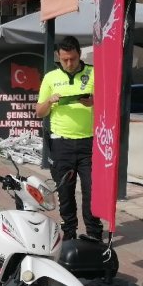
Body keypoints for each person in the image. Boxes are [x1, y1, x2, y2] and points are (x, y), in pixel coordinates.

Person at [36, 35, 102, 241]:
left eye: (72, 58)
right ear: (58, 56)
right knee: (65, 192)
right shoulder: (50, 78)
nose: (69, 63)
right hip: (60, 143)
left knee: (92, 191)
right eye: (64, 59)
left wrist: (93, 102)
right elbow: (39, 111)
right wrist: (49, 101)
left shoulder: (93, 73)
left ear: (79, 54)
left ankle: (93, 234)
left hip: (89, 143)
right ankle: (70, 234)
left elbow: (107, 104)